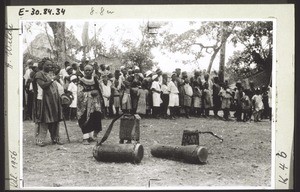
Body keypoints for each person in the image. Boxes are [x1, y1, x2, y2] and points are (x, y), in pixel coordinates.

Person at [33, 58, 64, 146]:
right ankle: (40, 140)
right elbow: (43, 85)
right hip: (43, 101)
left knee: (55, 119)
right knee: (44, 120)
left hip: (53, 100)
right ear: (42, 65)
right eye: (47, 65)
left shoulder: (50, 74)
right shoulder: (39, 74)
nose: (49, 66)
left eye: (51, 65)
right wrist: (53, 79)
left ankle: (55, 138)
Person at [77, 64, 104, 145]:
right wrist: (90, 93)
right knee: (85, 118)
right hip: (85, 105)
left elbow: (100, 89)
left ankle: (91, 136)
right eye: (86, 70)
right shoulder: (81, 81)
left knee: (95, 117)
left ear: (92, 71)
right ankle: (85, 137)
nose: (88, 72)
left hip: (95, 103)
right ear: (84, 71)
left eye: (89, 70)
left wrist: (98, 93)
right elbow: (79, 93)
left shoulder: (95, 79)